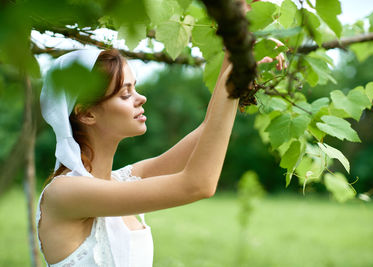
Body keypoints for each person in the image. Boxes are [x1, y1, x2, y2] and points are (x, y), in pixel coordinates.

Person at [35, 45, 241, 267]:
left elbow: (208, 130)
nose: (140, 98)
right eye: (125, 94)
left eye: (135, 88)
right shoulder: (65, 192)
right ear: (87, 113)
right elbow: (198, 184)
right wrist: (233, 81)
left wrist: (237, 54)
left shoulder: (126, 179)